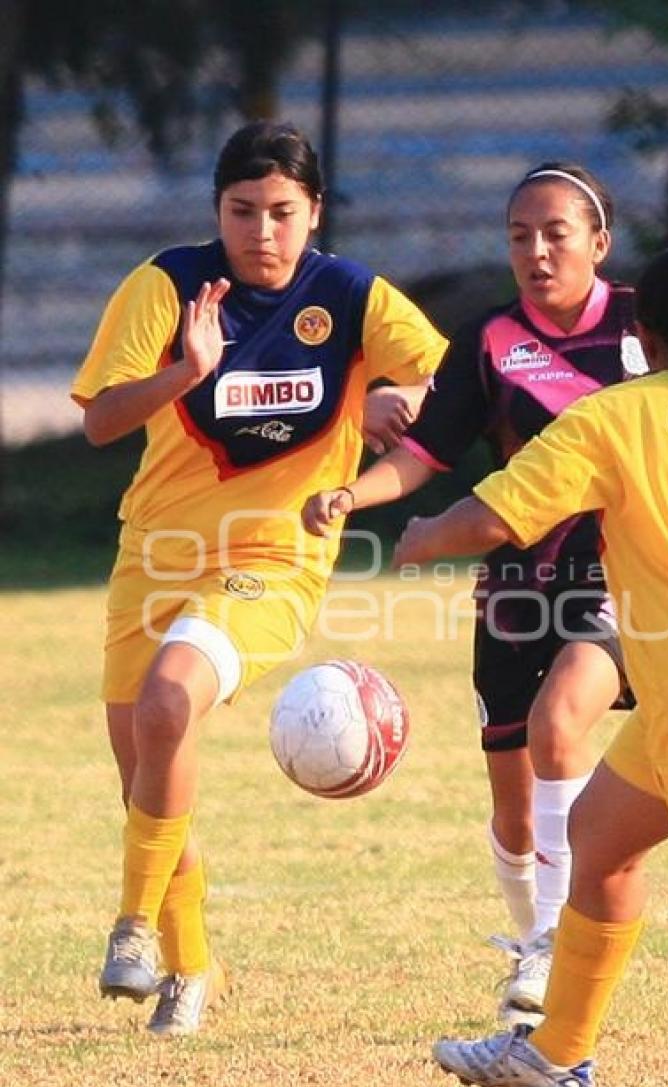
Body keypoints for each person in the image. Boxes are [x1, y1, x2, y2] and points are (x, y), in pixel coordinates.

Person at [302, 163, 668, 1027]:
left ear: (600, 243)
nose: (535, 250)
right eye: (519, 235)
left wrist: (423, 539)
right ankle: (542, 984)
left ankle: (556, 948)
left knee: (564, 724)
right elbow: (431, 452)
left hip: (627, 590)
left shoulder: (654, 335)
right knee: (534, 813)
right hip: (525, 591)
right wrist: (355, 494)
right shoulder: (488, 339)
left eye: (555, 232)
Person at [70, 121, 446, 1037]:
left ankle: (129, 929)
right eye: (243, 212)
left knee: (169, 702)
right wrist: (185, 373)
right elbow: (100, 422)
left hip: (275, 557)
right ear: (218, 212)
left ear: (314, 212)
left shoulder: (351, 296)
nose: (262, 232)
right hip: (154, 555)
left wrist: (401, 399)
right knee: (146, 773)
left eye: (283, 212)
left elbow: (452, 377)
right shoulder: (166, 285)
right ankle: (193, 969)